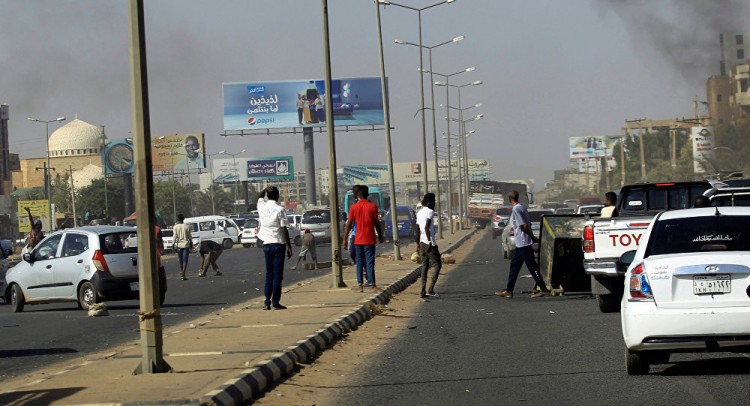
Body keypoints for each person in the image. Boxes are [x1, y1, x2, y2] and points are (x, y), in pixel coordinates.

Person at [495, 190, 551, 299]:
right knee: (514, 266)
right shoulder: (522, 207)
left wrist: (532, 237)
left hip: (523, 242)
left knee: (532, 266)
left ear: (509, 199)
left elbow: (524, 226)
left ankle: (544, 289)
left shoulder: (516, 209)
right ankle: (509, 290)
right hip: (521, 244)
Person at [343, 185, 384, 293]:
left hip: (358, 240)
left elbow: (349, 224)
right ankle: (372, 285)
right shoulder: (372, 207)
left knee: (359, 263)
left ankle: (360, 285)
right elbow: (376, 223)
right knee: (370, 262)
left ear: (357, 195)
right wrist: (380, 235)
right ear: (368, 194)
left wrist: (344, 240)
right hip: (369, 239)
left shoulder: (353, 207)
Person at [258, 186, 293, 310]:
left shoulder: (261, 206)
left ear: (267, 195)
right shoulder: (279, 209)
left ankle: (267, 301)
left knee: (269, 274)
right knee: (277, 275)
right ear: (277, 196)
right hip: (278, 244)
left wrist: (265, 189)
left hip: (266, 244)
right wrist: (289, 246)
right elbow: (284, 228)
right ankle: (275, 302)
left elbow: (259, 197)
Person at [416, 193, 442, 298]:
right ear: (430, 202)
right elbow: (427, 227)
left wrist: (417, 243)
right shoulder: (430, 212)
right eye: (434, 201)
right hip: (429, 242)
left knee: (425, 265)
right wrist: (430, 242)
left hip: (422, 243)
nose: (435, 203)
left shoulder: (420, 212)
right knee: (437, 264)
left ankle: (423, 290)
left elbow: (417, 229)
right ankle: (431, 289)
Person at [172, 213, 193, 280]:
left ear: (178, 219)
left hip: (179, 245)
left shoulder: (175, 227)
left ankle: (182, 272)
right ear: (183, 219)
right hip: (185, 245)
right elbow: (189, 236)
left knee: (180, 260)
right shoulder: (187, 226)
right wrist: (191, 242)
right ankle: (183, 273)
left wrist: (173, 244)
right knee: (185, 260)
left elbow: (174, 236)